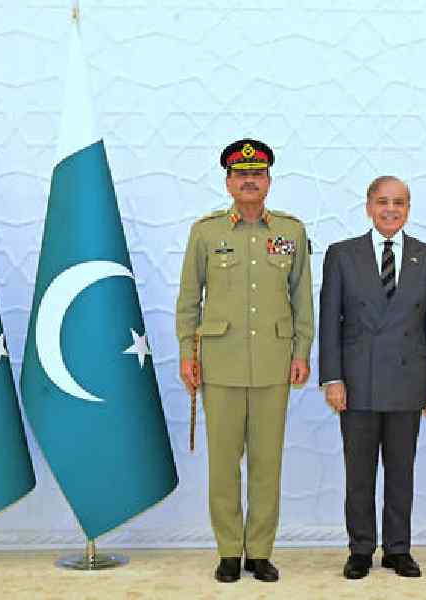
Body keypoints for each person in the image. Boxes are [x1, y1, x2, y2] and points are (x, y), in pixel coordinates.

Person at [175, 138, 314, 583]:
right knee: (223, 464)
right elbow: (187, 301)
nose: (249, 181)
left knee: (267, 462)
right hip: (220, 363)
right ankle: (229, 551)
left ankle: (260, 552)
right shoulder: (206, 232)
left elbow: (301, 299)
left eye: (257, 174)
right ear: (229, 182)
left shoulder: (290, 232)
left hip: (274, 364)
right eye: (241, 175)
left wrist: (301, 352)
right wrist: (186, 353)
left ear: (269, 181)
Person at [318, 176, 426, 580]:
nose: (390, 209)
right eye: (382, 202)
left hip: (409, 379)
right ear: (368, 205)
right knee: (358, 474)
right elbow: (330, 321)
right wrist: (332, 378)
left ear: (408, 208)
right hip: (357, 381)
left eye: (399, 202)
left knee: (401, 471)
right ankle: (360, 549)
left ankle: (397, 549)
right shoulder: (342, 254)